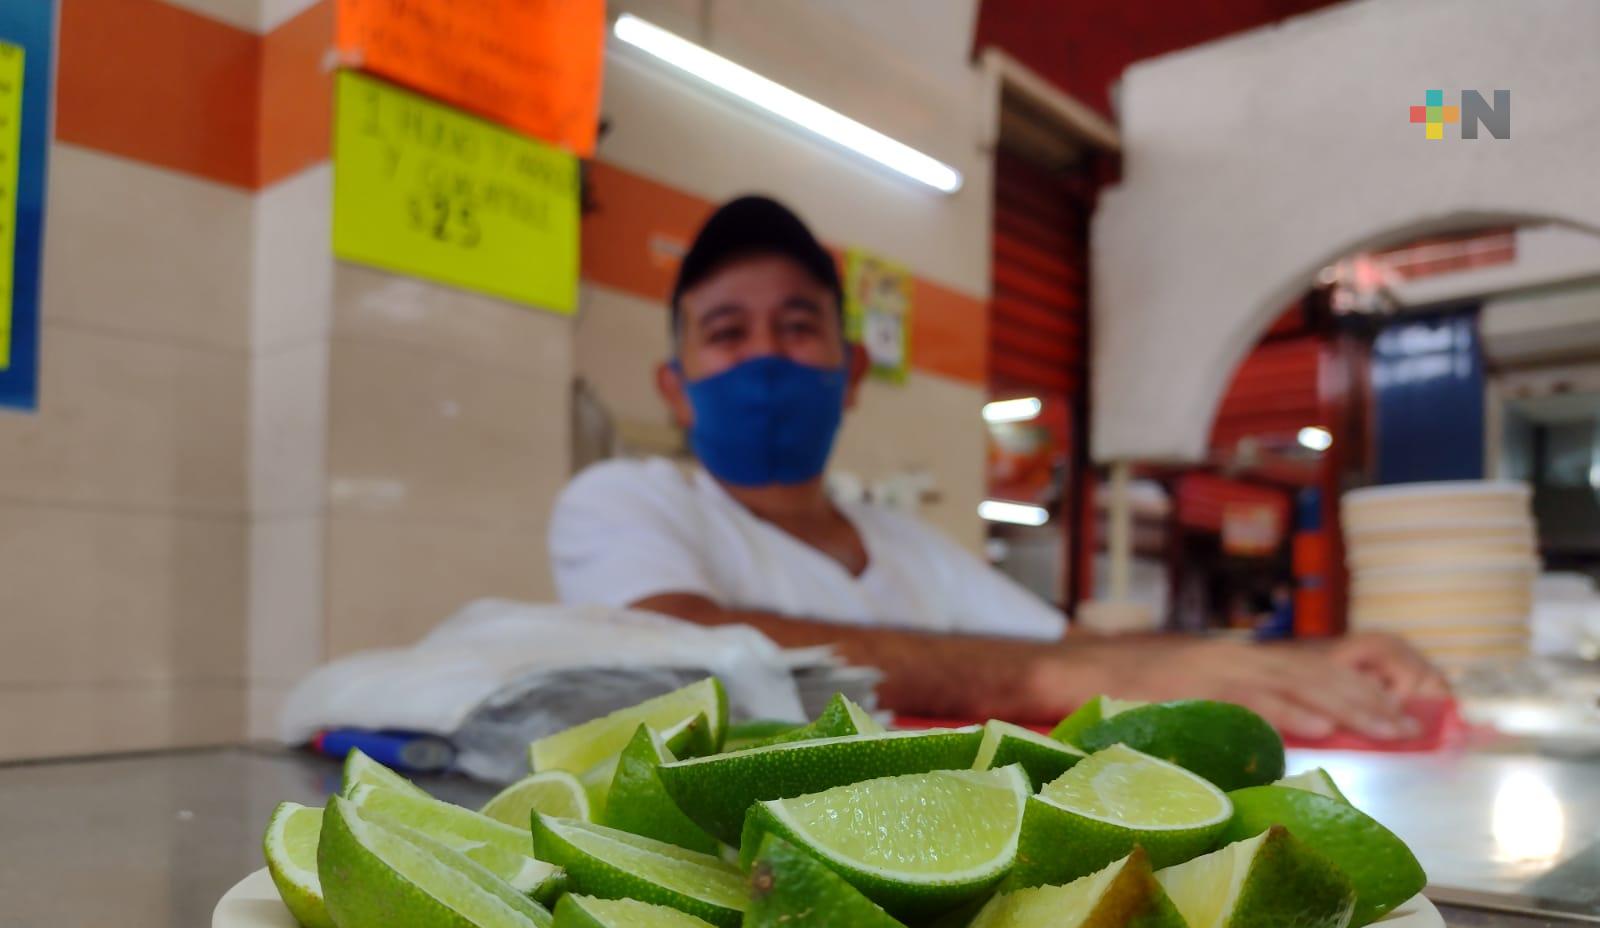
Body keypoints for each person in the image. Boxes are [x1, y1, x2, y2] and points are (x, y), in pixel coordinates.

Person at [550, 196, 1446, 737]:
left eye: (796, 326)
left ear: (851, 371)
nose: (767, 358)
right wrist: (1048, 681)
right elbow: (681, 651)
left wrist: (1303, 659)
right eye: (726, 333)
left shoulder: (908, 546)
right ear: (675, 388)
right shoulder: (623, 501)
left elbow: (1080, 651)